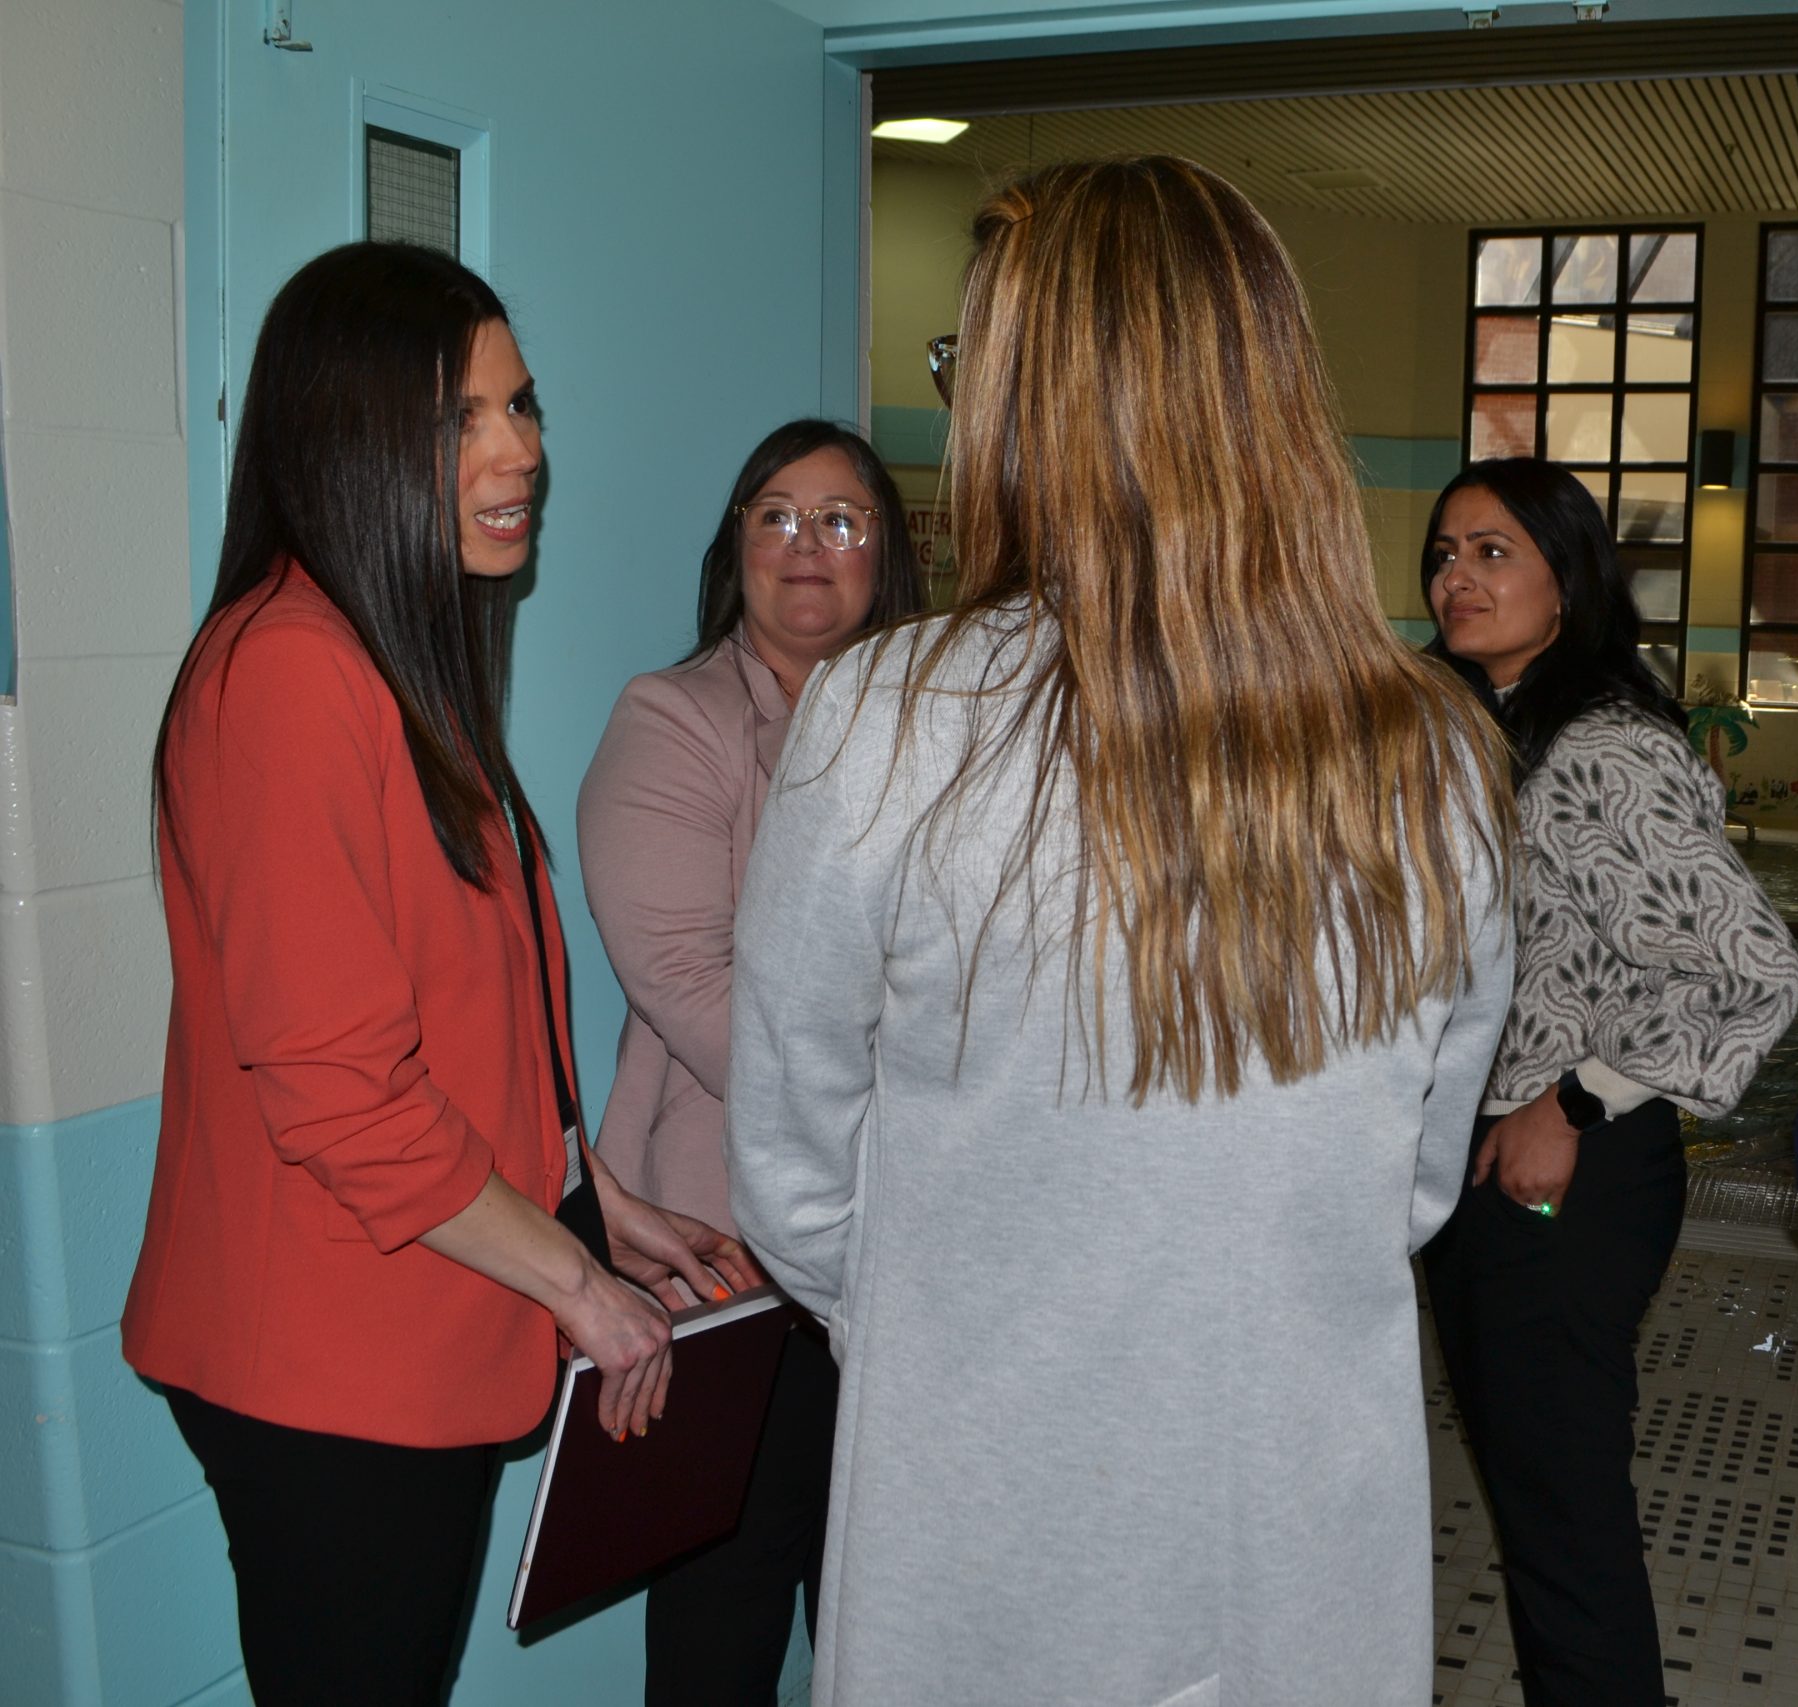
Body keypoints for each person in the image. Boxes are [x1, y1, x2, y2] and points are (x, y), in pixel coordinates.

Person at [722, 156, 1516, 1707]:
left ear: (1032, 402)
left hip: (991, 1515)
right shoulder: (1438, 753)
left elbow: (797, 1167)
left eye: (968, 364)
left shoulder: (884, 718)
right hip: (1289, 1505)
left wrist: (975, 1286)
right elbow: (1414, 1173)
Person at [122, 242, 759, 1707]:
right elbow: (341, 1090)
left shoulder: (394, 660)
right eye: (461, 419)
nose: (518, 449)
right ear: (348, 440)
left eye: (522, 407)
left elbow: (465, 1016)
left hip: (414, 1326)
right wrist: (583, 1289)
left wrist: (600, 1195)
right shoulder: (284, 675)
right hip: (328, 1366)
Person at [1415, 458, 1798, 1706]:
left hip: (1561, 1178)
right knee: (1541, 1511)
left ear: (1567, 582)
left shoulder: (1598, 753)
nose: (1455, 578)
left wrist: (1573, 1100)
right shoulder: (1504, 730)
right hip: (1505, 1168)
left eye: (1492, 553)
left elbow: (1752, 971)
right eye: (1444, 553)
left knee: (1565, 1523)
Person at [578, 419, 922, 1703]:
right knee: (722, 1630)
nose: (806, 544)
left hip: (908, 1267)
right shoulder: (673, 720)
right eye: (774, 514)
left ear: (886, 553)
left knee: (886, 1627)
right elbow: (686, 985)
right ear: (735, 549)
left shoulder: (938, 730)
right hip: (731, 1251)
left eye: (841, 518)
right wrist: (916, 1121)